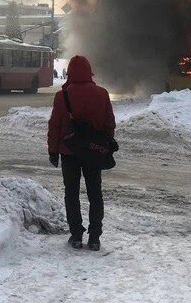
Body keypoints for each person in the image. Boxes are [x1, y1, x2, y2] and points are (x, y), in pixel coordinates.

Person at [47, 55, 115, 252]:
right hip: (93, 153)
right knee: (95, 193)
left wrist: (53, 150)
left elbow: (55, 126)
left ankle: (76, 235)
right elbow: (109, 123)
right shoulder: (102, 94)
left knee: (72, 193)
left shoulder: (63, 96)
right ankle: (94, 237)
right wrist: (103, 145)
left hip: (69, 152)